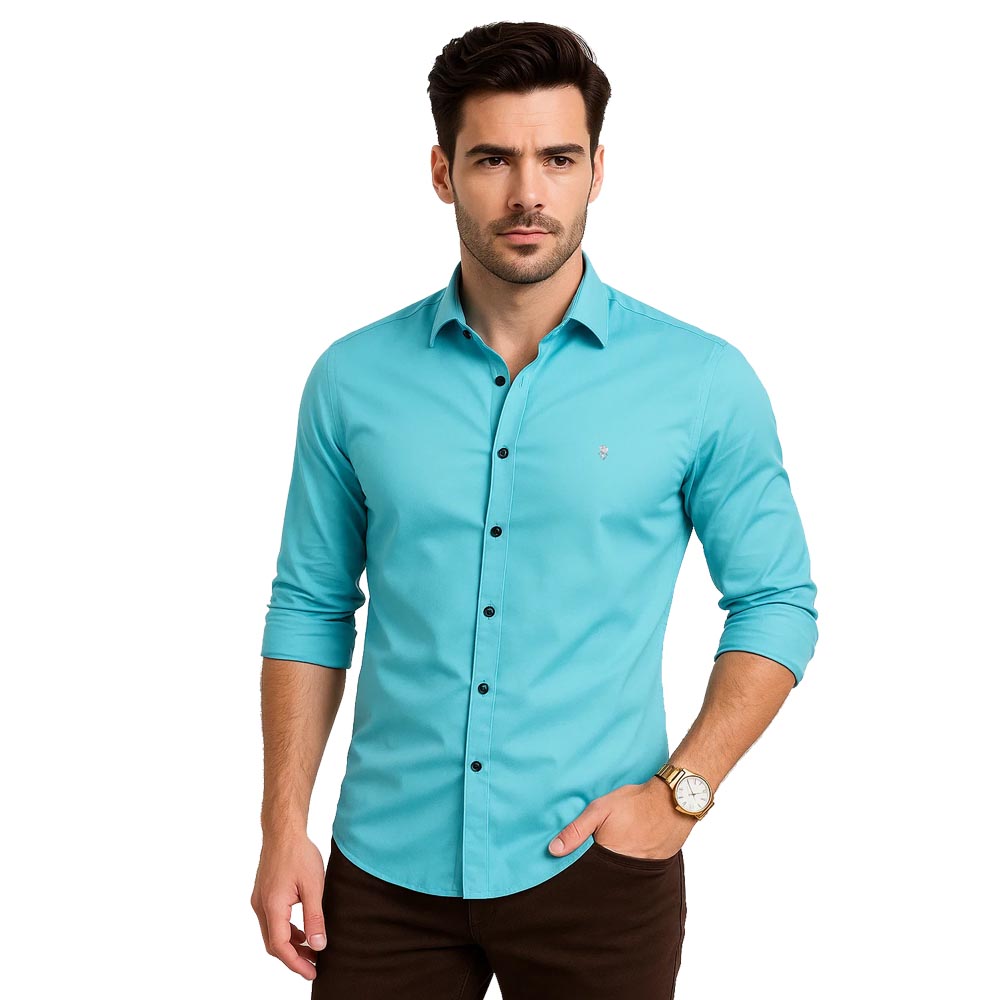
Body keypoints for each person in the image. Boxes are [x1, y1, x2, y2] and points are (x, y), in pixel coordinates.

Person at [250, 19, 819, 1000]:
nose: (528, 193)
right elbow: (310, 604)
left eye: (557, 158)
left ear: (598, 169)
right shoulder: (351, 379)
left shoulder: (701, 382)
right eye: (492, 159)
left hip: (599, 864)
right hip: (382, 870)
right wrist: (280, 825)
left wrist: (681, 795)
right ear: (442, 172)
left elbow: (776, 602)